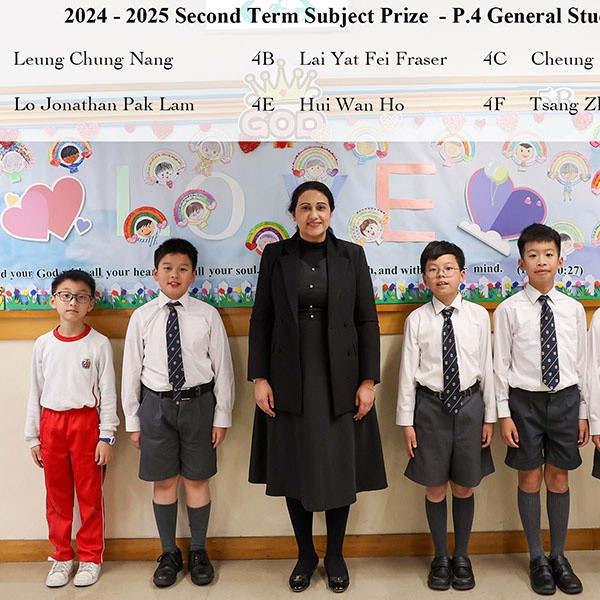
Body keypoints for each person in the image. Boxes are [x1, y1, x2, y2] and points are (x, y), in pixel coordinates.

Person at [248, 180, 387, 593]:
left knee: (339, 467)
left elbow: (367, 320)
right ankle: (306, 554)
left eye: (321, 207)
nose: (314, 214)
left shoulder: (352, 255)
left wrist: (368, 380)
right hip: (288, 375)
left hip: (340, 377)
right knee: (295, 465)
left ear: (331, 213)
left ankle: (336, 554)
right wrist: (260, 377)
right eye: (305, 207)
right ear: (294, 213)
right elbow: (261, 318)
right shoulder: (275, 255)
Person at [121, 238, 234, 588]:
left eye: (183, 269)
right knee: (165, 481)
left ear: (193, 275)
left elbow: (223, 369)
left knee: (198, 480)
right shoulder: (142, 317)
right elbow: (131, 371)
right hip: (155, 407)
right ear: (155, 273)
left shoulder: (207, 315)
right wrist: (133, 420)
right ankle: (169, 552)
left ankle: (198, 550)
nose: (175, 275)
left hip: (199, 405)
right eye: (168, 268)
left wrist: (222, 416)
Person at [494, 223, 588, 595]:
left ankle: (559, 556)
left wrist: (582, 411)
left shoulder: (573, 309)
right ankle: (537, 557)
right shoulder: (508, 310)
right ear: (522, 263)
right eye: (532, 255)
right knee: (530, 478)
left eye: (548, 254)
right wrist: (504, 413)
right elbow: (500, 366)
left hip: (565, 401)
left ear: (560, 260)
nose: (541, 261)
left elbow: (581, 364)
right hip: (524, 404)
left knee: (559, 479)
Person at [396, 241, 496, 591]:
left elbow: (487, 367)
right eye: (434, 270)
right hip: (430, 409)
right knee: (435, 486)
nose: (442, 275)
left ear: (462, 275)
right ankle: (440, 556)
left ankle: (462, 556)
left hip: (470, 407)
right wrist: (407, 422)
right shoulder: (417, 320)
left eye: (449, 268)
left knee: (464, 485)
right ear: (425, 278)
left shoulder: (479, 316)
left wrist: (489, 417)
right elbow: (407, 374)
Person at [25, 269, 119, 588]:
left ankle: (90, 557)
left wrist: (106, 436)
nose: (73, 302)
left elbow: (108, 393)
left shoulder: (99, 344)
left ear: (91, 304)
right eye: (66, 295)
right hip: (51, 425)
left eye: (81, 297)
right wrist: (33, 437)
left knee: (90, 496)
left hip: (86, 425)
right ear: (53, 300)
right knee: (57, 497)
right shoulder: (43, 344)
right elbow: (35, 392)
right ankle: (62, 557)